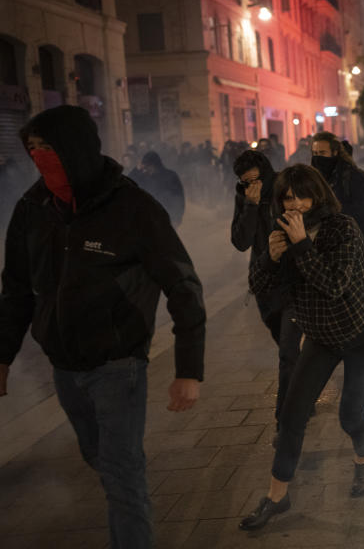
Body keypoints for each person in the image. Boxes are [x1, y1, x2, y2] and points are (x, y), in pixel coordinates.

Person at [0, 105, 206, 548]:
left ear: (74, 150)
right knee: (99, 456)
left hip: (118, 365)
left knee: (121, 475)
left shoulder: (132, 207)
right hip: (64, 369)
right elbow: (15, 289)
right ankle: (126, 473)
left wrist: (188, 369)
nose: (39, 159)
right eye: (32, 150)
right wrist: (3, 353)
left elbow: (183, 285)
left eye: (48, 149)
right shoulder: (32, 209)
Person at [239, 165, 364, 530]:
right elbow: (256, 285)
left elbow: (334, 284)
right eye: (287, 198)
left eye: (302, 196)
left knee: (350, 416)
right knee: (291, 416)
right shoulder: (282, 233)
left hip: (363, 336)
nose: (295, 205)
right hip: (321, 336)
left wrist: (303, 244)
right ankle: (277, 496)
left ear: (317, 196)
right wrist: (270, 258)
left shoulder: (343, 228)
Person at [230, 149, 301, 433]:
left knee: (287, 352)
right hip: (265, 285)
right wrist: (250, 205)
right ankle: (303, 392)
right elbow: (240, 242)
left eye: (256, 181)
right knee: (286, 347)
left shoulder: (286, 190)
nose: (252, 187)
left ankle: (286, 420)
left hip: (294, 282)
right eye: (246, 183)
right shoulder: (246, 197)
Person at [311, 131, 364, 264]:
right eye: (315, 153)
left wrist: (331, 211)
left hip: (350, 243)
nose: (318, 158)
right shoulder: (314, 178)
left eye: (322, 153)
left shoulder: (354, 176)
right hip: (322, 245)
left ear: (335, 152)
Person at [138, 150, 186, 227]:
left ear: (155, 165)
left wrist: (176, 218)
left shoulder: (170, 176)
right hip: (152, 220)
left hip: (169, 218)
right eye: (145, 168)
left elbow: (179, 198)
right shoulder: (146, 178)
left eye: (148, 167)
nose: (146, 170)